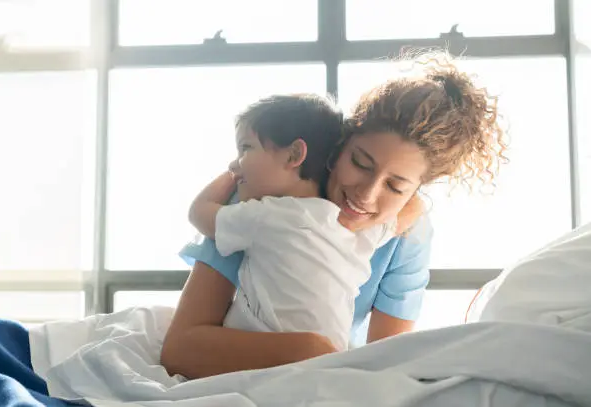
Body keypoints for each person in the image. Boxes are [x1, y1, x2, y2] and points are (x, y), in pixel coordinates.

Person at [161, 51, 508, 379]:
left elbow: (384, 363)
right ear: (339, 145)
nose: (366, 194)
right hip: (252, 362)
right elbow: (180, 350)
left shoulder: (406, 235)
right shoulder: (262, 204)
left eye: (396, 186)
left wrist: (325, 360)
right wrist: (310, 351)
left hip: (327, 373)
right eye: (360, 163)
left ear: (416, 190)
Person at [188, 94, 396, 352]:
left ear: (294, 154)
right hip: (333, 358)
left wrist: (231, 176)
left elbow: (198, 212)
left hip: (264, 363)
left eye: (245, 148)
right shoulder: (355, 229)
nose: (235, 163)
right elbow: (403, 216)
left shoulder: (265, 216)